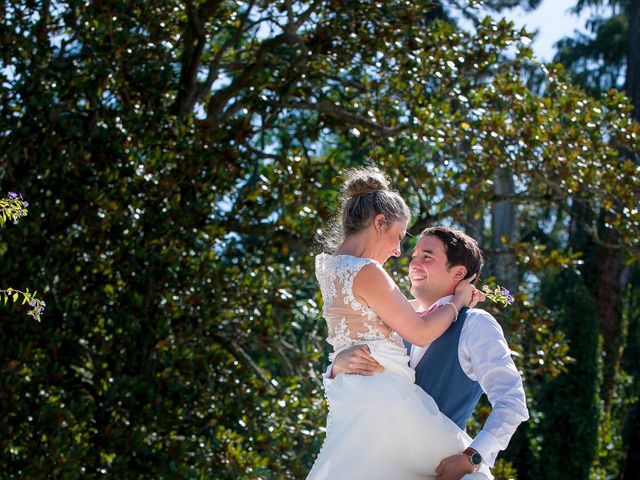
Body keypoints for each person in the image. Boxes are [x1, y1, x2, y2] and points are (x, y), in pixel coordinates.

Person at [307, 167, 491, 480]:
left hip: (351, 396)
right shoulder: (367, 271)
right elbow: (420, 332)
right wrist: (458, 299)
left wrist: (337, 364)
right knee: (469, 469)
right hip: (386, 397)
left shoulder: (328, 266)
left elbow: (381, 315)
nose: (397, 251)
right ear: (380, 223)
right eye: (399, 237)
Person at [326, 226, 530, 479]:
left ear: (458, 272)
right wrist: (337, 366)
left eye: (427, 257)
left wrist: (473, 456)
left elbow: (512, 402)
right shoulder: (396, 324)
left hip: (440, 469)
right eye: (414, 256)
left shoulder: (475, 324)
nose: (413, 263)